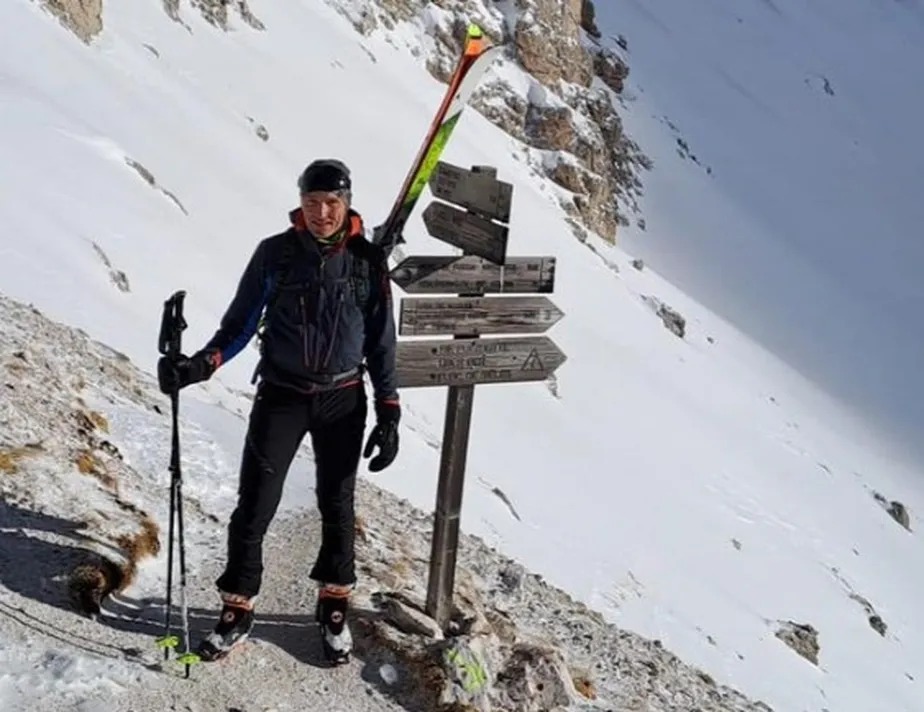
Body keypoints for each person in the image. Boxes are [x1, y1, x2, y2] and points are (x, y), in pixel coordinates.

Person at [157, 158, 400, 665]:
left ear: (347, 202)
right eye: (312, 203)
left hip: (343, 396)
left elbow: (381, 342)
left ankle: (334, 605)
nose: (321, 212)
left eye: (331, 202)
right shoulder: (276, 254)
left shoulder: (367, 261)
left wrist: (389, 409)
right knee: (255, 505)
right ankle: (237, 608)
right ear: (300, 203)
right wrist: (199, 366)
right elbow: (240, 325)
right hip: (282, 393)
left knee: (337, 504)